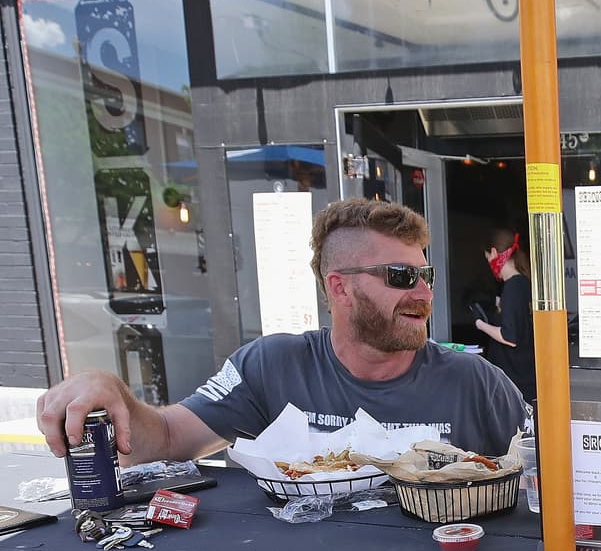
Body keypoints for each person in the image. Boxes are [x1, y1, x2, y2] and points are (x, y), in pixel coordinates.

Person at [37, 198, 528, 463]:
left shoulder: (476, 383)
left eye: (426, 276)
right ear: (340, 288)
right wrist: (109, 389)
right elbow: (163, 438)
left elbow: (552, 480)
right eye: (401, 277)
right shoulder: (271, 366)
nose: (422, 293)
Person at [474, 227, 537, 404]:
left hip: (514, 381)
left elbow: (509, 336)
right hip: (524, 377)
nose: (490, 264)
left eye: (488, 258)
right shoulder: (524, 284)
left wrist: (480, 323)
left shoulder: (513, 287)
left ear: (494, 252)